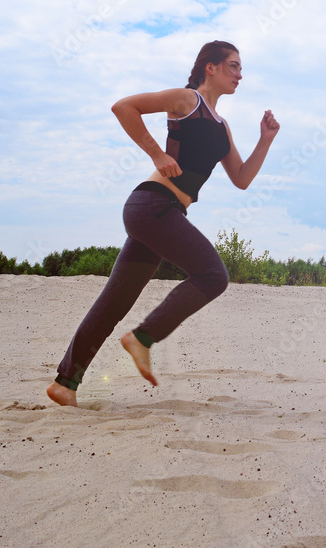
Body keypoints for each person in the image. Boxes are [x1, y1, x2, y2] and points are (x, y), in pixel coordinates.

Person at [46, 40, 279, 407]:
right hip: (152, 206)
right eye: (233, 66)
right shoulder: (187, 101)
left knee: (114, 301)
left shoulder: (222, 126)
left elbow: (242, 178)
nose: (240, 74)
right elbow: (124, 107)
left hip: (162, 213)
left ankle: (65, 384)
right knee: (214, 276)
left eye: (240, 67)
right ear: (210, 68)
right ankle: (142, 338)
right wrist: (156, 153)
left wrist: (265, 141)